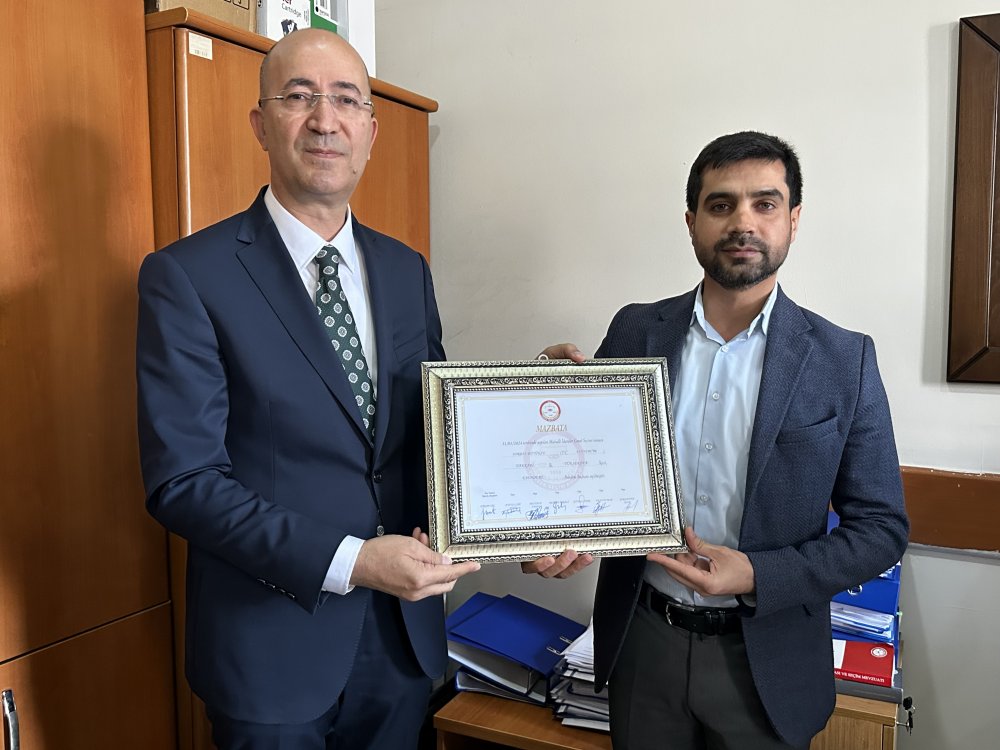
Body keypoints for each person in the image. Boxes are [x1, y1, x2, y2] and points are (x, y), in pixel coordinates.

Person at [136, 28, 479, 750]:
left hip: (402, 643)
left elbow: (433, 433)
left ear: (371, 133)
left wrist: (532, 501)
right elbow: (184, 482)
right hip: (270, 654)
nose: (326, 120)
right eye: (299, 97)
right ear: (261, 125)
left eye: (347, 100)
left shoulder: (405, 270)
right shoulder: (188, 276)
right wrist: (352, 560)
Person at [525, 131, 908, 749]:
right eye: (721, 204)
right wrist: (535, 408)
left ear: (794, 220)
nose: (743, 223)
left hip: (766, 659)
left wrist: (758, 574)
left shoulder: (844, 359)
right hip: (641, 643)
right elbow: (590, 475)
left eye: (765, 203)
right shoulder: (634, 330)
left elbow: (882, 529)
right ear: (691, 222)